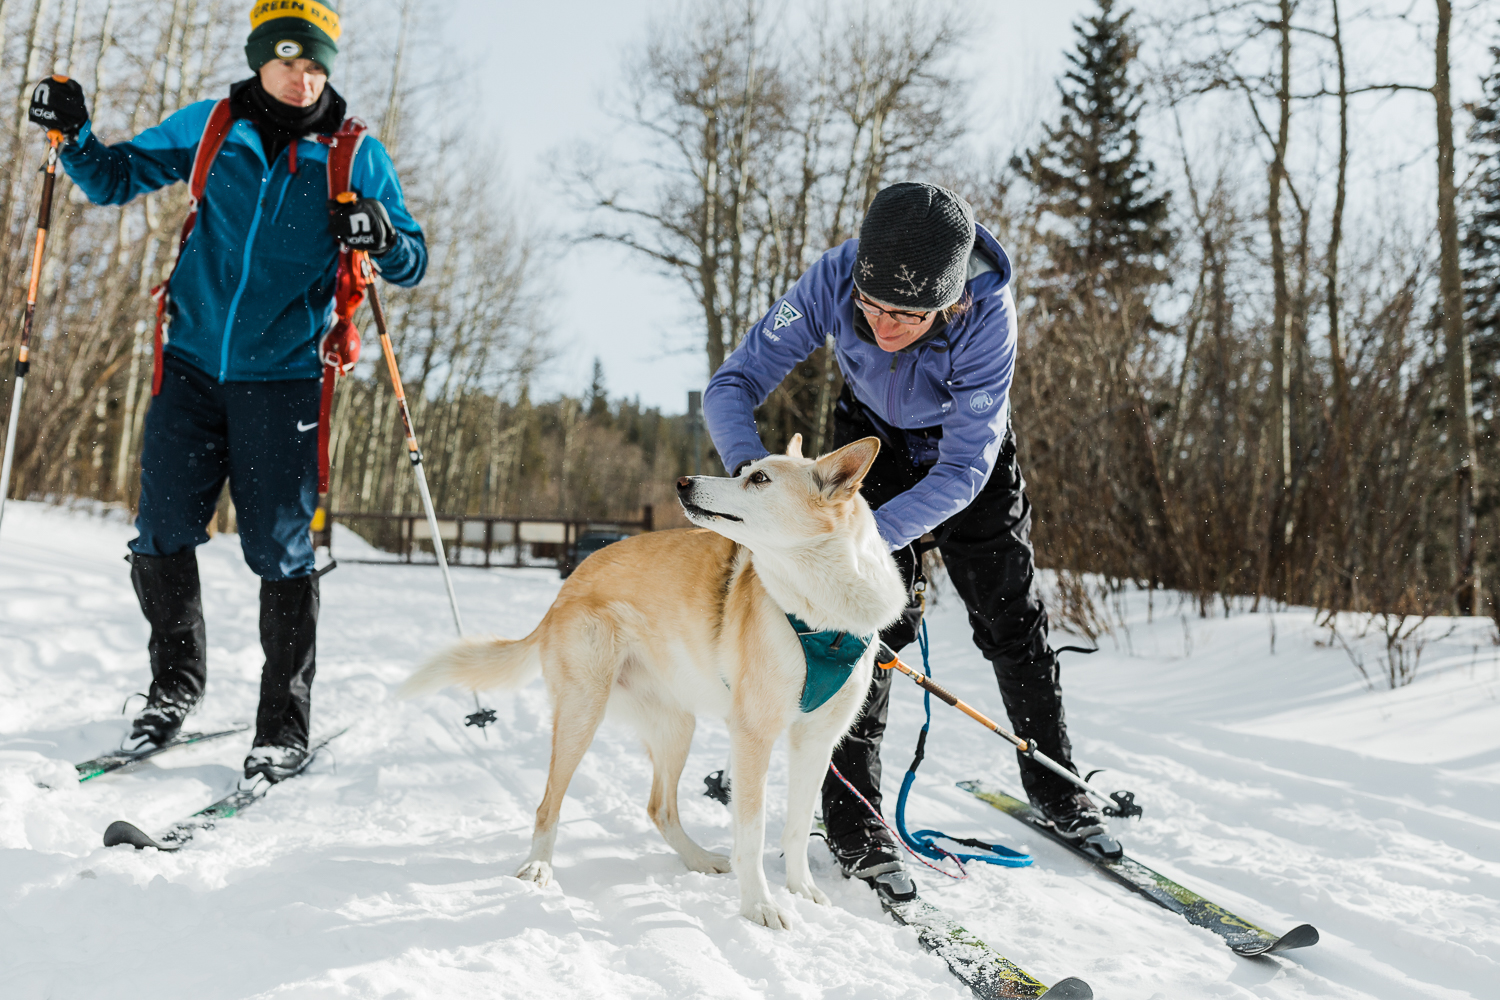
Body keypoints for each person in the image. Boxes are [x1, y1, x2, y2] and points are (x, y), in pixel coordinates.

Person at [29, 1, 426, 781]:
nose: (302, 78)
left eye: (316, 66)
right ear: (259, 61)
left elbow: (411, 257)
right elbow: (113, 180)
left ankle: (281, 726)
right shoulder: (213, 125)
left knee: (278, 548)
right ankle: (173, 690)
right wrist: (73, 136)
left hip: (283, 378)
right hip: (190, 362)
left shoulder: (354, 154)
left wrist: (379, 230)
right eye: (288, 63)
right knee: (162, 529)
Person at [703, 182, 1104, 882]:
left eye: (908, 316)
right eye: (873, 306)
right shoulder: (834, 277)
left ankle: (1058, 787)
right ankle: (853, 815)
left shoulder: (988, 316)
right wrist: (755, 482)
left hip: (961, 458)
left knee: (1011, 617)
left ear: (948, 304)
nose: (885, 327)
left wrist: (867, 539)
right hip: (869, 442)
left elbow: (962, 469)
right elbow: (731, 385)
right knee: (860, 628)